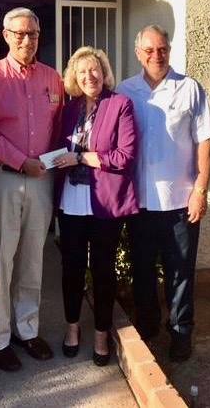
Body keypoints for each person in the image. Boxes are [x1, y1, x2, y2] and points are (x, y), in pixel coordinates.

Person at [117, 25, 210, 361]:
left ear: (169, 50)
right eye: (149, 50)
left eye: (161, 49)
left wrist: (201, 190)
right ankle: (147, 327)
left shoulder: (189, 88)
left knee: (180, 272)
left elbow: (205, 140)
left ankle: (180, 332)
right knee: (142, 270)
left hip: (181, 202)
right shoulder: (124, 90)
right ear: (138, 53)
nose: (155, 56)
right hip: (140, 203)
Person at [0, 7, 64, 371]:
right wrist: (20, 160)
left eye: (34, 34)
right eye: (20, 34)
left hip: (41, 180)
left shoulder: (53, 79)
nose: (27, 40)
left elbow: (59, 128)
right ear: (6, 35)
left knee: (32, 258)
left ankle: (27, 329)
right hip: (4, 178)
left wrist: (51, 161)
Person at [53, 46, 138, 366]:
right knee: (71, 269)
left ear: (104, 74)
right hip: (71, 201)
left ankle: (102, 333)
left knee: (102, 270)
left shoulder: (120, 105)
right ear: (74, 77)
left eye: (95, 70)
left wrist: (81, 157)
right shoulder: (69, 109)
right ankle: (72, 328)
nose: (89, 76)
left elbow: (125, 156)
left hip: (105, 203)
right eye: (82, 71)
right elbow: (56, 148)